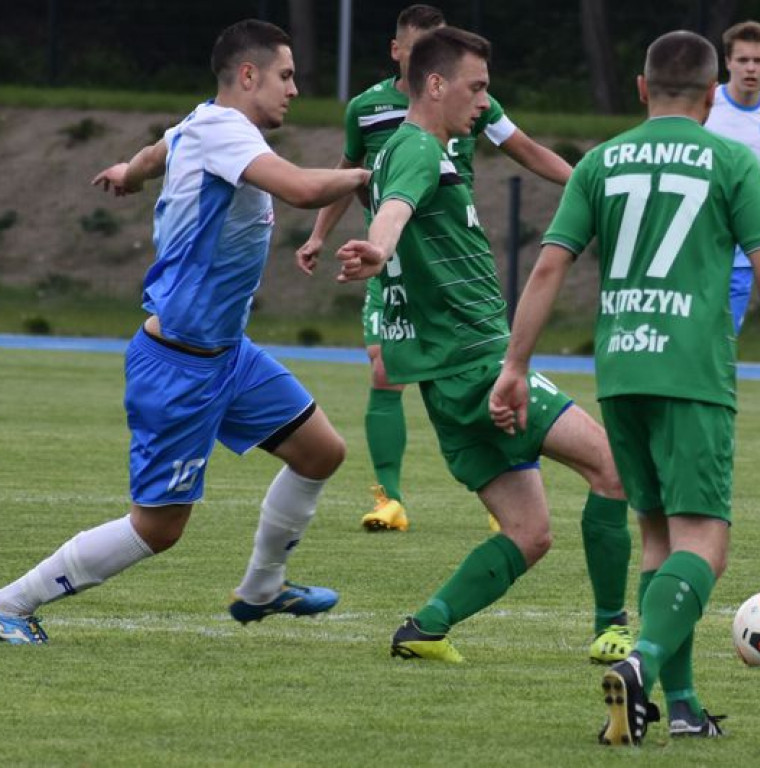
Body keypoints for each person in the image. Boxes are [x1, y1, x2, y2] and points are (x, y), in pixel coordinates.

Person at [490, 30, 760, 745]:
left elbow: (549, 267)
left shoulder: (599, 162)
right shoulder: (731, 159)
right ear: (711, 98)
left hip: (621, 370)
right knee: (704, 542)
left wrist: (516, 366)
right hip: (692, 371)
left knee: (657, 537)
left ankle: (682, 706)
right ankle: (642, 663)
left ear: (642, 89)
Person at [0, 19, 374, 645]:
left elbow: (158, 151)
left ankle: (261, 589)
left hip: (228, 355)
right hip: (179, 366)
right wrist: (367, 174)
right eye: (285, 76)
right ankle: (11, 603)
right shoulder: (225, 132)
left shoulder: (201, 125)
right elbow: (304, 190)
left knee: (320, 452)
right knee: (157, 528)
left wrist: (130, 171)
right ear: (248, 75)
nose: (294, 89)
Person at [335, 25, 632, 665]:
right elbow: (396, 210)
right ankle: (613, 628)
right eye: (476, 88)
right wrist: (378, 247)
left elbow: (393, 204)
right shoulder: (417, 148)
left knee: (529, 533)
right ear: (434, 85)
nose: (483, 101)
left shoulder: (412, 148)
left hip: (446, 376)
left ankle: (426, 628)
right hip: (477, 363)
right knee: (613, 468)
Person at [295, 4, 572, 535]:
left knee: (485, 367)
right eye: (421, 45)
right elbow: (350, 174)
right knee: (385, 370)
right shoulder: (368, 109)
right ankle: (390, 498)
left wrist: (583, 183)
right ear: (399, 52)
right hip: (390, 258)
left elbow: (526, 149)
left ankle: (506, 493)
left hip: (446, 257)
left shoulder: (474, 100)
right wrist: (319, 235)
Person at [704, 20, 760, 334]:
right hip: (699, 235)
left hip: (743, 239)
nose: (750, 68)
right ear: (728, 62)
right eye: (743, 60)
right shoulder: (704, 104)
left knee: (726, 332)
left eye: (758, 60)